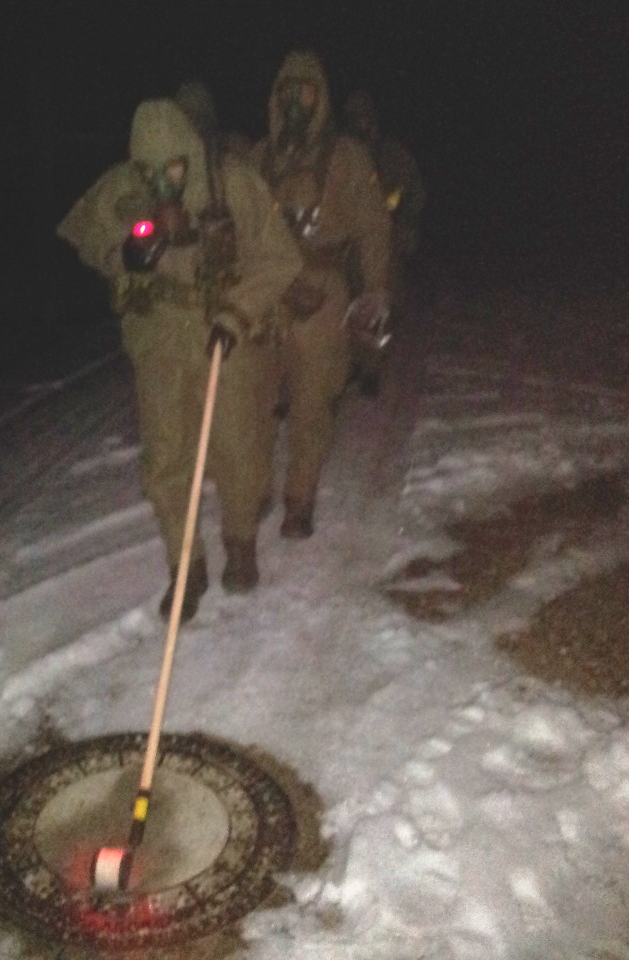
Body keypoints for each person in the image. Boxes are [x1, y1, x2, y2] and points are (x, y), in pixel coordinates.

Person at [56, 98, 301, 622]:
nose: (163, 181)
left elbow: (281, 258)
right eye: (150, 171)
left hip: (224, 331)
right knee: (166, 458)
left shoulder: (231, 183)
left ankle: (240, 542)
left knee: (237, 448)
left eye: (172, 168)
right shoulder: (124, 188)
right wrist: (124, 252)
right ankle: (185, 566)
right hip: (160, 338)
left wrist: (237, 313)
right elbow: (86, 234)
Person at [252, 50, 391, 539]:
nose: (295, 101)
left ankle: (300, 498)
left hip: (322, 291)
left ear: (321, 97)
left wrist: (374, 295)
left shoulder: (346, 157)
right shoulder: (259, 158)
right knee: (253, 398)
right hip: (267, 293)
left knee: (312, 401)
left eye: (305, 91)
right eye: (287, 91)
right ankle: (254, 486)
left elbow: (373, 229)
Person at [343, 88, 426, 309]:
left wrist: (404, 227)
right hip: (350, 243)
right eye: (353, 117)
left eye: (363, 116)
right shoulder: (342, 158)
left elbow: (415, 194)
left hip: (389, 239)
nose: (359, 123)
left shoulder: (394, 155)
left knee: (386, 301)